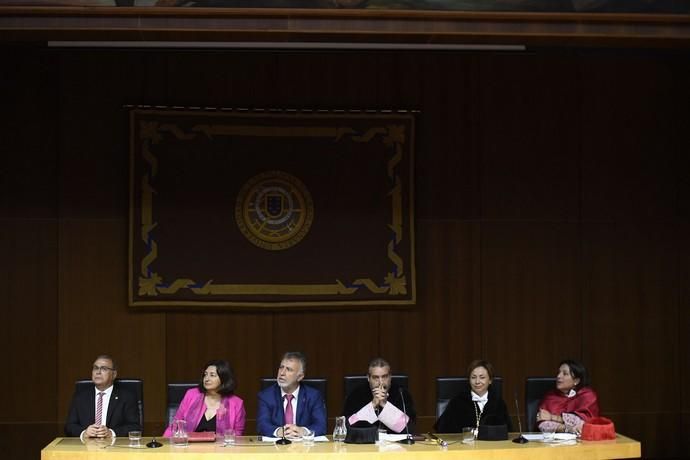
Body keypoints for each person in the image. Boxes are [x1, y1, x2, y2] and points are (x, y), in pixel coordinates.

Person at [65, 354, 141, 439]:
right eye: (95, 368)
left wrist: (111, 433)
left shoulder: (127, 397)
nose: (98, 372)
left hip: (114, 448)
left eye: (104, 369)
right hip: (87, 447)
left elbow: (135, 426)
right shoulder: (80, 397)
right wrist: (84, 432)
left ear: (114, 374)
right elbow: (69, 426)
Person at [163, 359, 246, 436]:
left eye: (212, 375)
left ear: (224, 379)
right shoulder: (192, 395)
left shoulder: (236, 403)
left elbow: (237, 436)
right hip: (190, 448)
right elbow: (175, 425)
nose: (207, 379)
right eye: (205, 375)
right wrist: (163, 444)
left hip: (221, 450)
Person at [256, 351, 327, 437]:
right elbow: (262, 425)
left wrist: (304, 431)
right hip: (276, 447)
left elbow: (321, 426)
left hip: (305, 447)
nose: (282, 373)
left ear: (300, 376)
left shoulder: (313, 396)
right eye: (281, 367)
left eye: (289, 369)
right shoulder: (266, 396)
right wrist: (278, 432)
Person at [434, 359, 512, 434]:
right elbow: (443, 431)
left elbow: (508, 432)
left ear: (490, 380)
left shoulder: (498, 403)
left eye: (482, 377)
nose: (477, 382)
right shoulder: (458, 402)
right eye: (473, 377)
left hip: (492, 446)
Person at [342, 357, 416, 434]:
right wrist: (373, 404)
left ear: (390, 377)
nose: (381, 382)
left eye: (384, 377)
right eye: (375, 377)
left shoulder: (401, 393)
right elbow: (346, 427)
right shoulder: (356, 394)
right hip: (365, 443)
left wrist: (384, 404)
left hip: (396, 444)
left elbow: (409, 429)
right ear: (368, 378)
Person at [536, 359, 600, 435]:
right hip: (553, 442)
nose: (558, 376)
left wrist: (552, 417)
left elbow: (584, 422)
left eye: (565, 374)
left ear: (576, 381)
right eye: (558, 372)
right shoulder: (550, 397)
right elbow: (542, 424)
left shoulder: (587, 396)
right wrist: (567, 428)